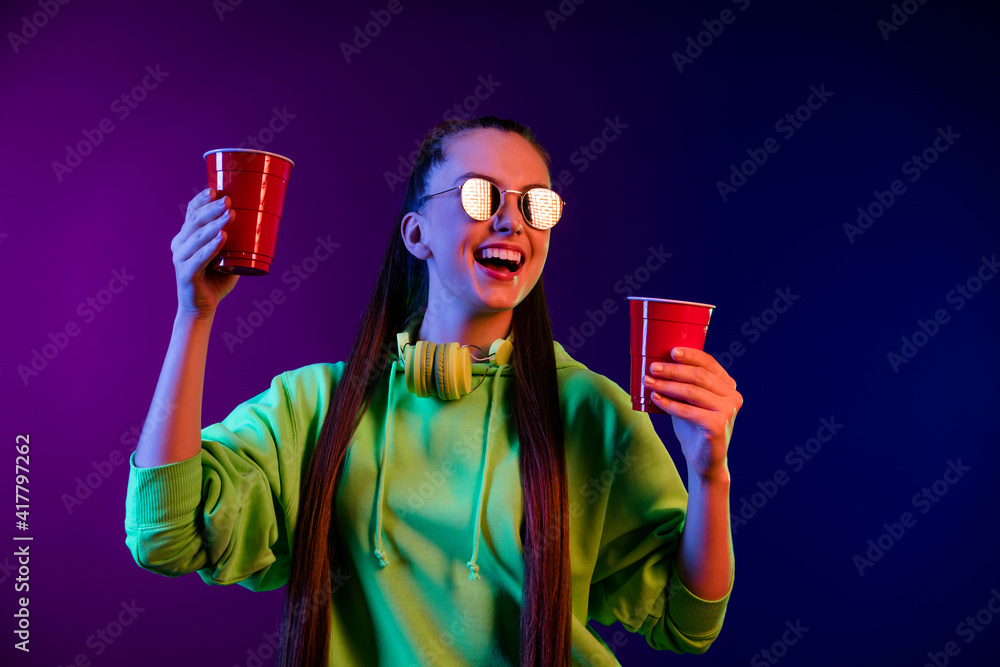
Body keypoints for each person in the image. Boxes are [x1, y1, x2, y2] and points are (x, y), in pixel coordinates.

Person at [124, 115, 742, 666]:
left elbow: (687, 626)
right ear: (415, 235)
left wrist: (709, 471)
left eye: (537, 205)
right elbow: (164, 536)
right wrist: (194, 316)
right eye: (481, 195)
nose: (511, 220)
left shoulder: (590, 410)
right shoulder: (314, 407)